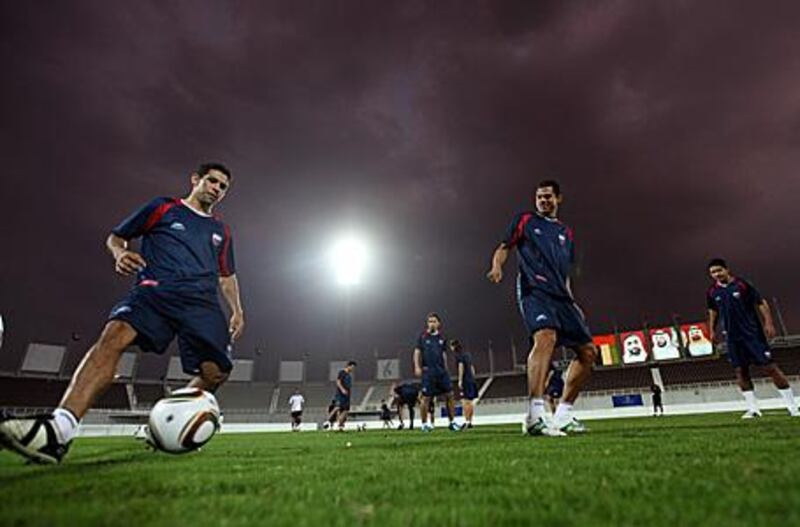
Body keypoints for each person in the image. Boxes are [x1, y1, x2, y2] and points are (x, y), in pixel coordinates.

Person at [0, 163, 244, 464]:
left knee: (216, 372)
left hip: (202, 302)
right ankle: (58, 432)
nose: (216, 189)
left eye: (223, 187)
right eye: (212, 181)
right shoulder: (162, 208)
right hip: (155, 292)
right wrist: (120, 253)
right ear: (195, 180)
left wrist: (237, 311)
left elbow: (226, 275)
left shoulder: (221, 230)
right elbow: (116, 237)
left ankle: (166, 421)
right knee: (113, 335)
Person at [487, 180, 597, 436]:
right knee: (545, 337)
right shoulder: (525, 220)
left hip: (562, 297)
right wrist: (497, 266)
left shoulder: (566, 233)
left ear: (559, 199)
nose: (543, 201)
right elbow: (504, 247)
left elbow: (565, 272)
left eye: (548, 196)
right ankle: (535, 415)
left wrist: (572, 302)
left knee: (588, 352)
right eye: (539, 197)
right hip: (534, 290)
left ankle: (563, 415)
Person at [706, 258, 798, 418]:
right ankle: (753, 409)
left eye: (719, 270)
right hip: (732, 337)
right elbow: (713, 311)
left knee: (770, 368)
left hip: (752, 334)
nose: (716, 274)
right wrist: (712, 330)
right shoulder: (712, 292)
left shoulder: (742, 285)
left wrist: (768, 322)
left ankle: (793, 406)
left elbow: (761, 302)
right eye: (713, 272)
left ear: (727, 269)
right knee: (740, 371)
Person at [413, 313, 462, 432]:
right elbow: (417, 352)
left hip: (441, 372)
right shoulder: (422, 336)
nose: (431, 323)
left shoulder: (442, 337)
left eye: (434, 321)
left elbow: (444, 354)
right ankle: (424, 424)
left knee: (450, 395)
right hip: (428, 371)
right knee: (426, 398)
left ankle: (452, 422)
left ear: (438, 323)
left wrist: (446, 369)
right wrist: (417, 367)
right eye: (429, 321)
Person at [452, 340, 478, 428]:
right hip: (471, 380)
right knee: (470, 402)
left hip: (466, 380)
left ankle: (466, 421)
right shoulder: (467, 354)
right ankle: (470, 421)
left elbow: (461, 367)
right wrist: (473, 378)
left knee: (465, 401)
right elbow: (472, 368)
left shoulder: (459, 355)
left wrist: (460, 380)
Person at [326, 361, 356, 430]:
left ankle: (340, 425)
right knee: (337, 407)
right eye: (352, 367)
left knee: (346, 410)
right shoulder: (342, 373)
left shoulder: (349, 375)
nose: (353, 369)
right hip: (340, 394)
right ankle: (327, 421)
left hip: (347, 395)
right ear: (349, 366)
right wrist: (342, 389)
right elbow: (338, 382)